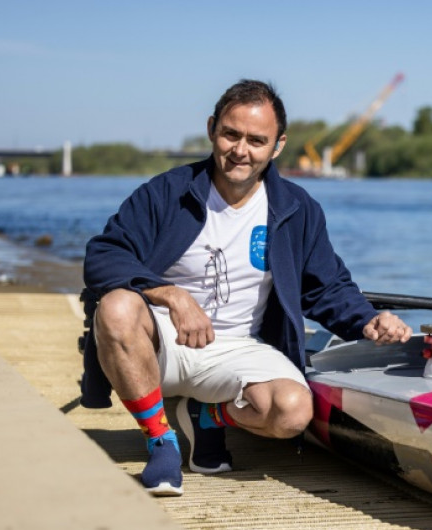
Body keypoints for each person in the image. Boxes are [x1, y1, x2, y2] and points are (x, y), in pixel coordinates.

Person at [83, 79, 412, 496]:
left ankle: (209, 417)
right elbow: (103, 255)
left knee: (292, 413)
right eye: (231, 134)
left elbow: (326, 287)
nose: (241, 150)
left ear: (277, 146)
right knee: (115, 307)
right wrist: (171, 295)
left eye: (257, 140)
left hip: (239, 348)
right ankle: (160, 441)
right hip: (160, 342)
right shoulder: (166, 192)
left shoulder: (296, 208)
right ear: (211, 129)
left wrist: (368, 320)